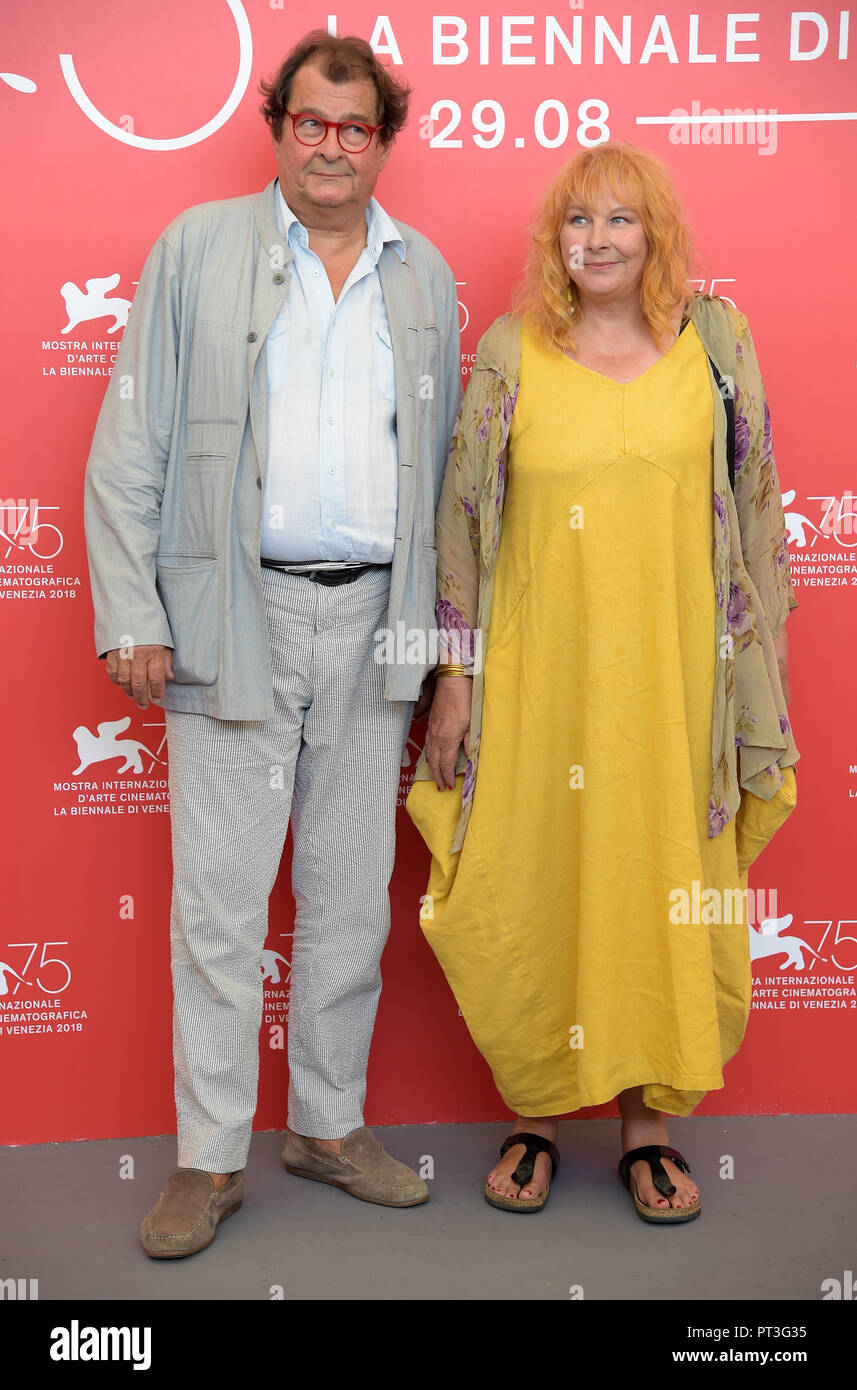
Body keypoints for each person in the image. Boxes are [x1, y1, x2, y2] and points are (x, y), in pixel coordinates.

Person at [83, 30, 461, 1257]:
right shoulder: (197, 249)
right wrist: (135, 610)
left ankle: (328, 1125)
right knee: (219, 910)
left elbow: (449, 487)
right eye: (311, 121)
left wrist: (443, 653)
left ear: (382, 140)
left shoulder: (424, 274)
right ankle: (205, 1157)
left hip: (373, 625)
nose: (332, 146)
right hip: (230, 614)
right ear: (278, 126)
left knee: (351, 899)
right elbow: (130, 439)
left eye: (356, 127)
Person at [406, 141, 798, 1222]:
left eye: (620, 220)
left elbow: (755, 501)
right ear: (554, 241)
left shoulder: (714, 342)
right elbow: (461, 524)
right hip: (542, 678)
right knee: (533, 872)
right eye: (577, 222)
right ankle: (535, 1113)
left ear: (655, 233)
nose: (597, 240)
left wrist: (757, 673)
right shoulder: (510, 351)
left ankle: (646, 1128)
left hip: (678, 680)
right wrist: (454, 675)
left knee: (661, 877)